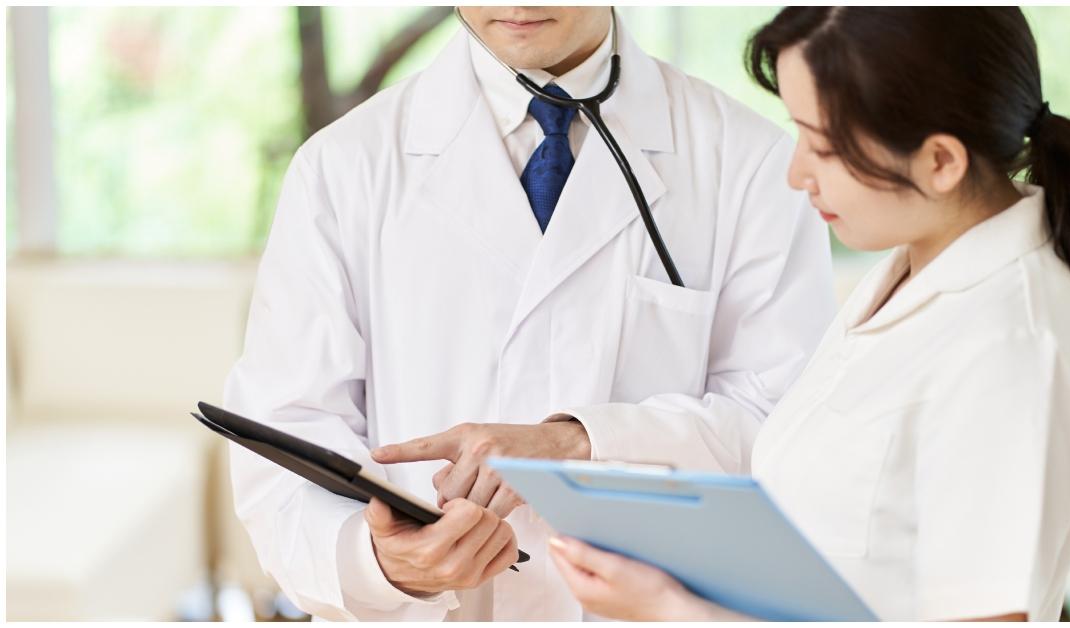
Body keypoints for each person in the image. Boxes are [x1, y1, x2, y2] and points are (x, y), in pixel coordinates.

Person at [224, 6, 836, 622]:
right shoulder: (341, 169)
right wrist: (380, 563)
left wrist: (580, 442)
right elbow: (288, 435)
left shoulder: (753, 165)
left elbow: (790, 430)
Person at [548, 6, 1070, 622]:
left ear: (941, 162)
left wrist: (674, 612)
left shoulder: (1013, 349)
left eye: (824, 148)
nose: (796, 173)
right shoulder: (914, 271)